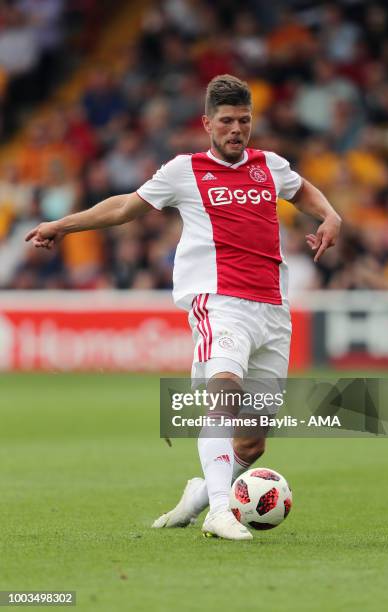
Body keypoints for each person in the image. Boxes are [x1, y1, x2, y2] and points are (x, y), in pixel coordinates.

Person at [26, 74, 341, 540]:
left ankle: (200, 492)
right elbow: (124, 207)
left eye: (244, 121)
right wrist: (63, 225)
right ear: (207, 124)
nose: (237, 129)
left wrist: (330, 215)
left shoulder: (269, 165)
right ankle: (219, 510)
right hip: (220, 301)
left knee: (252, 442)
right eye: (227, 121)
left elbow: (302, 191)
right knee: (224, 391)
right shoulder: (184, 170)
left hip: (273, 308)